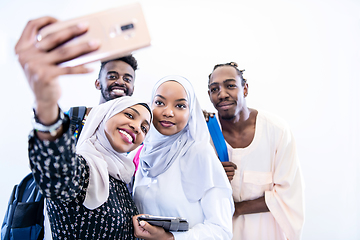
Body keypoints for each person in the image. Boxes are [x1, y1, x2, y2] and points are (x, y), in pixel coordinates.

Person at [16, 16, 152, 239]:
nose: (137, 128)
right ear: (102, 116)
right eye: (129, 115)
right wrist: (46, 104)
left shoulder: (122, 175)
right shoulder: (85, 171)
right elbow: (58, 173)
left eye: (145, 127)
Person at [207, 62, 305, 240]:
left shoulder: (277, 131)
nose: (222, 94)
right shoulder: (205, 135)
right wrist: (212, 176)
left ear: (244, 89)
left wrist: (235, 209)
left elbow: (287, 194)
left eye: (230, 86)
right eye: (214, 89)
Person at [132, 75, 234, 240]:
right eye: (159, 103)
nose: (168, 112)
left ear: (191, 112)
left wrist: (170, 238)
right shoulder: (143, 153)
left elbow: (221, 230)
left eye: (180, 105)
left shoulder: (200, 153)